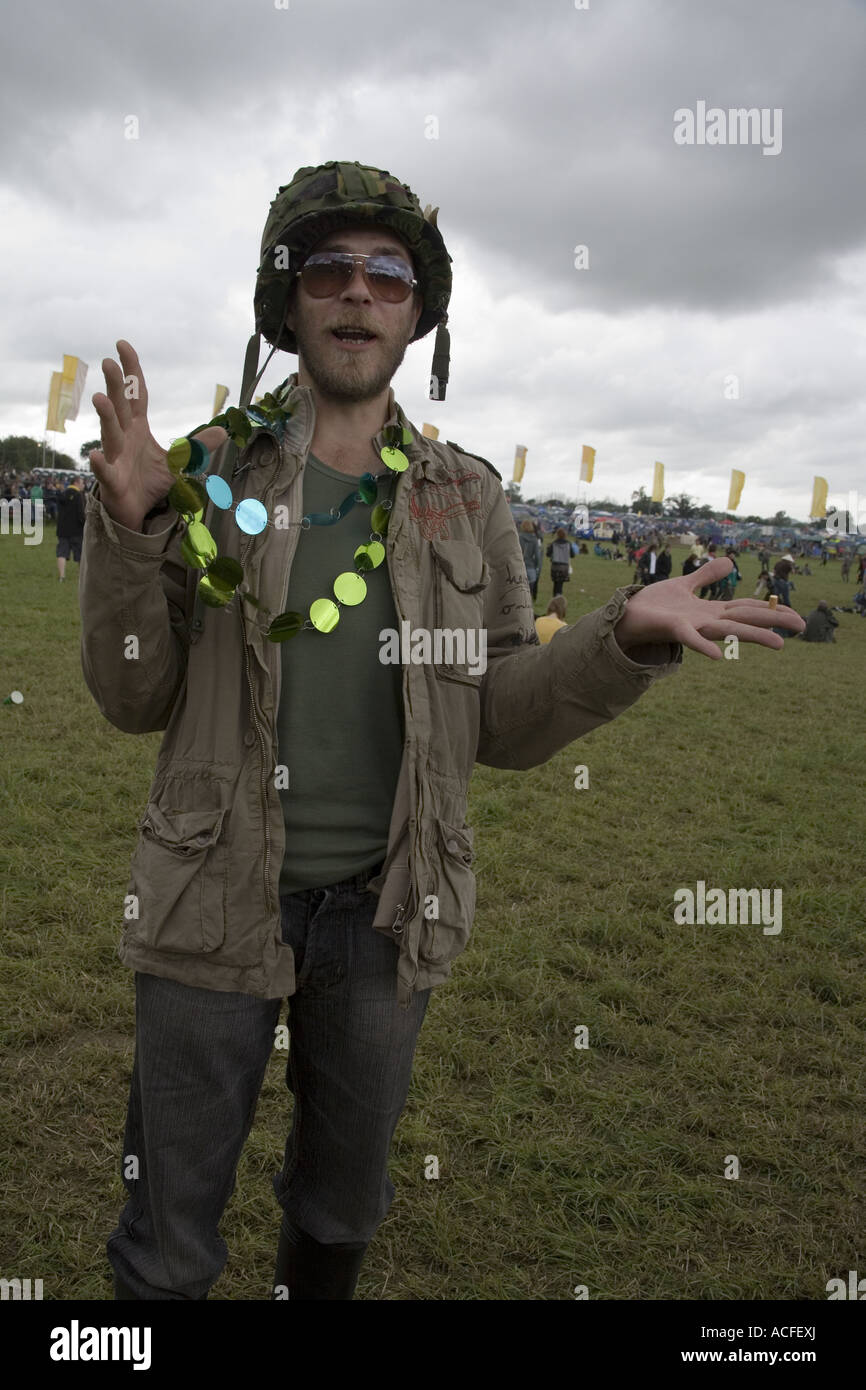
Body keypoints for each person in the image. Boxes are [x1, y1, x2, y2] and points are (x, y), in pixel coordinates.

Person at [79, 159, 805, 1305]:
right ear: (289, 301)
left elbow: (500, 716)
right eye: (329, 268)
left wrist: (619, 636)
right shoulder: (210, 477)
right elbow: (130, 697)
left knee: (341, 1207)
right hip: (206, 899)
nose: (357, 293)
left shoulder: (464, 498)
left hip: (384, 915)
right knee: (166, 1237)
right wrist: (128, 530)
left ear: (418, 314)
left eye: (386, 274)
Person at [55, 475, 86, 580]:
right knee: (80, 555)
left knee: (62, 553)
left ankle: (62, 576)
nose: (83, 485)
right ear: (76, 483)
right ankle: (81, 578)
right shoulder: (79, 495)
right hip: (76, 530)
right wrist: (85, 524)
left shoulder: (62, 494)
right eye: (82, 483)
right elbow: (81, 514)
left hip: (62, 529)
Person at [545, 526, 577, 596]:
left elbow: (547, 554)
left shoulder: (553, 543)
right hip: (564, 567)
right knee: (560, 584)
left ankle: (555, 597)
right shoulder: (568, 543)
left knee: (555, 583)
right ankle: (559, 596)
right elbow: (572, 555)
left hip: (555, 566)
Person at [519, 518, 542, 602]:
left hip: (519, 566)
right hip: (531, 567)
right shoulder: (534, 539)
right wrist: (537, 567)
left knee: (519, 590)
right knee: (530, 590)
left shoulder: (519, 537)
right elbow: (537, 556)